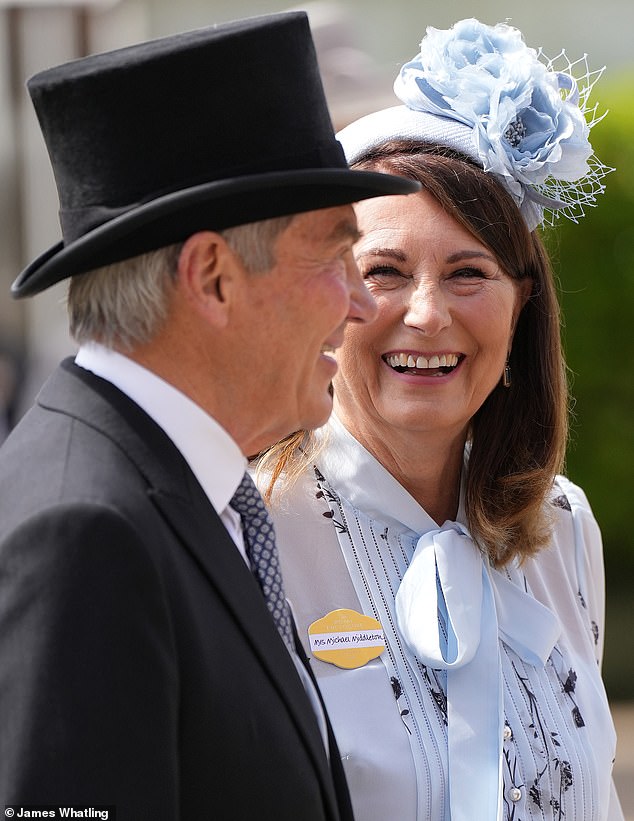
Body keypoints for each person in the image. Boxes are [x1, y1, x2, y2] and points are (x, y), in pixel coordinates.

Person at [0, 11, 420, 819]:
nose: (363, 302)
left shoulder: (182, 490)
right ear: (213, 277)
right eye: (334, 256)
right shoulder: (87, 531)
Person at [256, 18, 624, 821]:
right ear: (327, 294)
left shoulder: (563, 526)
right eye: (383, 270)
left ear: (522, 304)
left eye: (469, 272)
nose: (427, 315)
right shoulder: (248, 536)